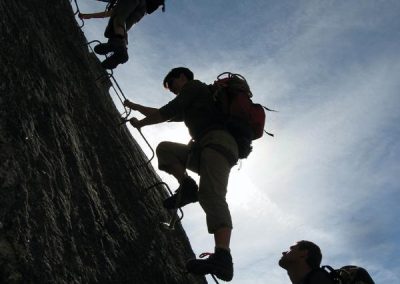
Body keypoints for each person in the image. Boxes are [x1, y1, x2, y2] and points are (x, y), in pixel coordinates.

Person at [123, 67, 239, 282]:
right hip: (202, 148)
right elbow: (162, 112)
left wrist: (140, 123)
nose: (173, 91)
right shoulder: (193, 101)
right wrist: (134, 107)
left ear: (182, 76)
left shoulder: (194, 87)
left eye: (172, 84)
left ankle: (223, 256)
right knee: (165, 149)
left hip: (219, 144)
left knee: (211, 195)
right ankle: (187, 186)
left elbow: (165, 111)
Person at [87, 0, 165, 69]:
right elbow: (114, 12)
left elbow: (115, 13)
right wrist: (90, 16)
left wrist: (90, 16)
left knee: (118, 21)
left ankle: (119, 47)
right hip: (144, 10)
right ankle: (120, 50)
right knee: (119, 30)